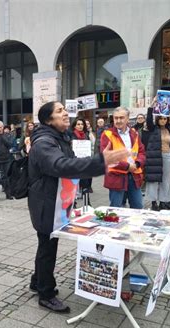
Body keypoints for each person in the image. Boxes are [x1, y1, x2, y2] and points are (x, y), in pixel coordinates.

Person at [28, 101, 129, 313]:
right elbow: (61, 166)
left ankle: (38, 282)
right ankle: (45, 294)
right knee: (47, 246)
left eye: (65, 109)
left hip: (55, 202)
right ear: (48, 120)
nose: (66, 113)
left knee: (45, 244)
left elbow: (71, 163)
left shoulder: (61, 138)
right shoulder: (44, 142)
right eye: (59, 111)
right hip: (46, 204)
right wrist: (101, 162)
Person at [100, 107, 146, 209]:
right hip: (116, 176)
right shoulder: (107, 134)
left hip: (134, 176)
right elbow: (108, 157)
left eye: (121, 118)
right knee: (116, 209)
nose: (118, 121)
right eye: (116, 118)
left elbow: (141, 152)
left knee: (138, 207)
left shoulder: (134, 133)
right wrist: (127, 166)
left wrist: (137, 164)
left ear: (128, 119)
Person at [143, 98, 170, 211]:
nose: (163, 120)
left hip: (167, 157)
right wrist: (151, 106)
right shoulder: (153, 129)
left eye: (165, 119)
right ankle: (153, 203)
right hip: (155, 157)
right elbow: (148, 120)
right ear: (158, 120)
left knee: (166, 180)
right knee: (154, 180)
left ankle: (164, 201)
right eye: (161, 119)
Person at [71, 118, 93, 194]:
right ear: (74, 126)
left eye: (82, 124)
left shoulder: (86, 135)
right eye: (78, 124)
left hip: (85, 161)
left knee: (85, 183)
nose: (80, 126)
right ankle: (74, 203)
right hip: (75, 162)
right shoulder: (71, 135)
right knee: (74, 184)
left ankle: (87, 201)